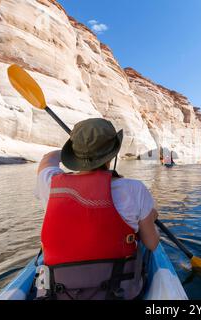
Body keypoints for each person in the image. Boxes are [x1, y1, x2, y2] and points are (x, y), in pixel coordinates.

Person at [34, 118, 160, 300]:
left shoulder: (50, 184)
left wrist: (78, 147)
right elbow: (152, 244)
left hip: (59, 295)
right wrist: (151, 216)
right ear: (112, 156)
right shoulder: (134, 189)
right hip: (118, 294)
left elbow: (48, 159)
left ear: (73, 155)